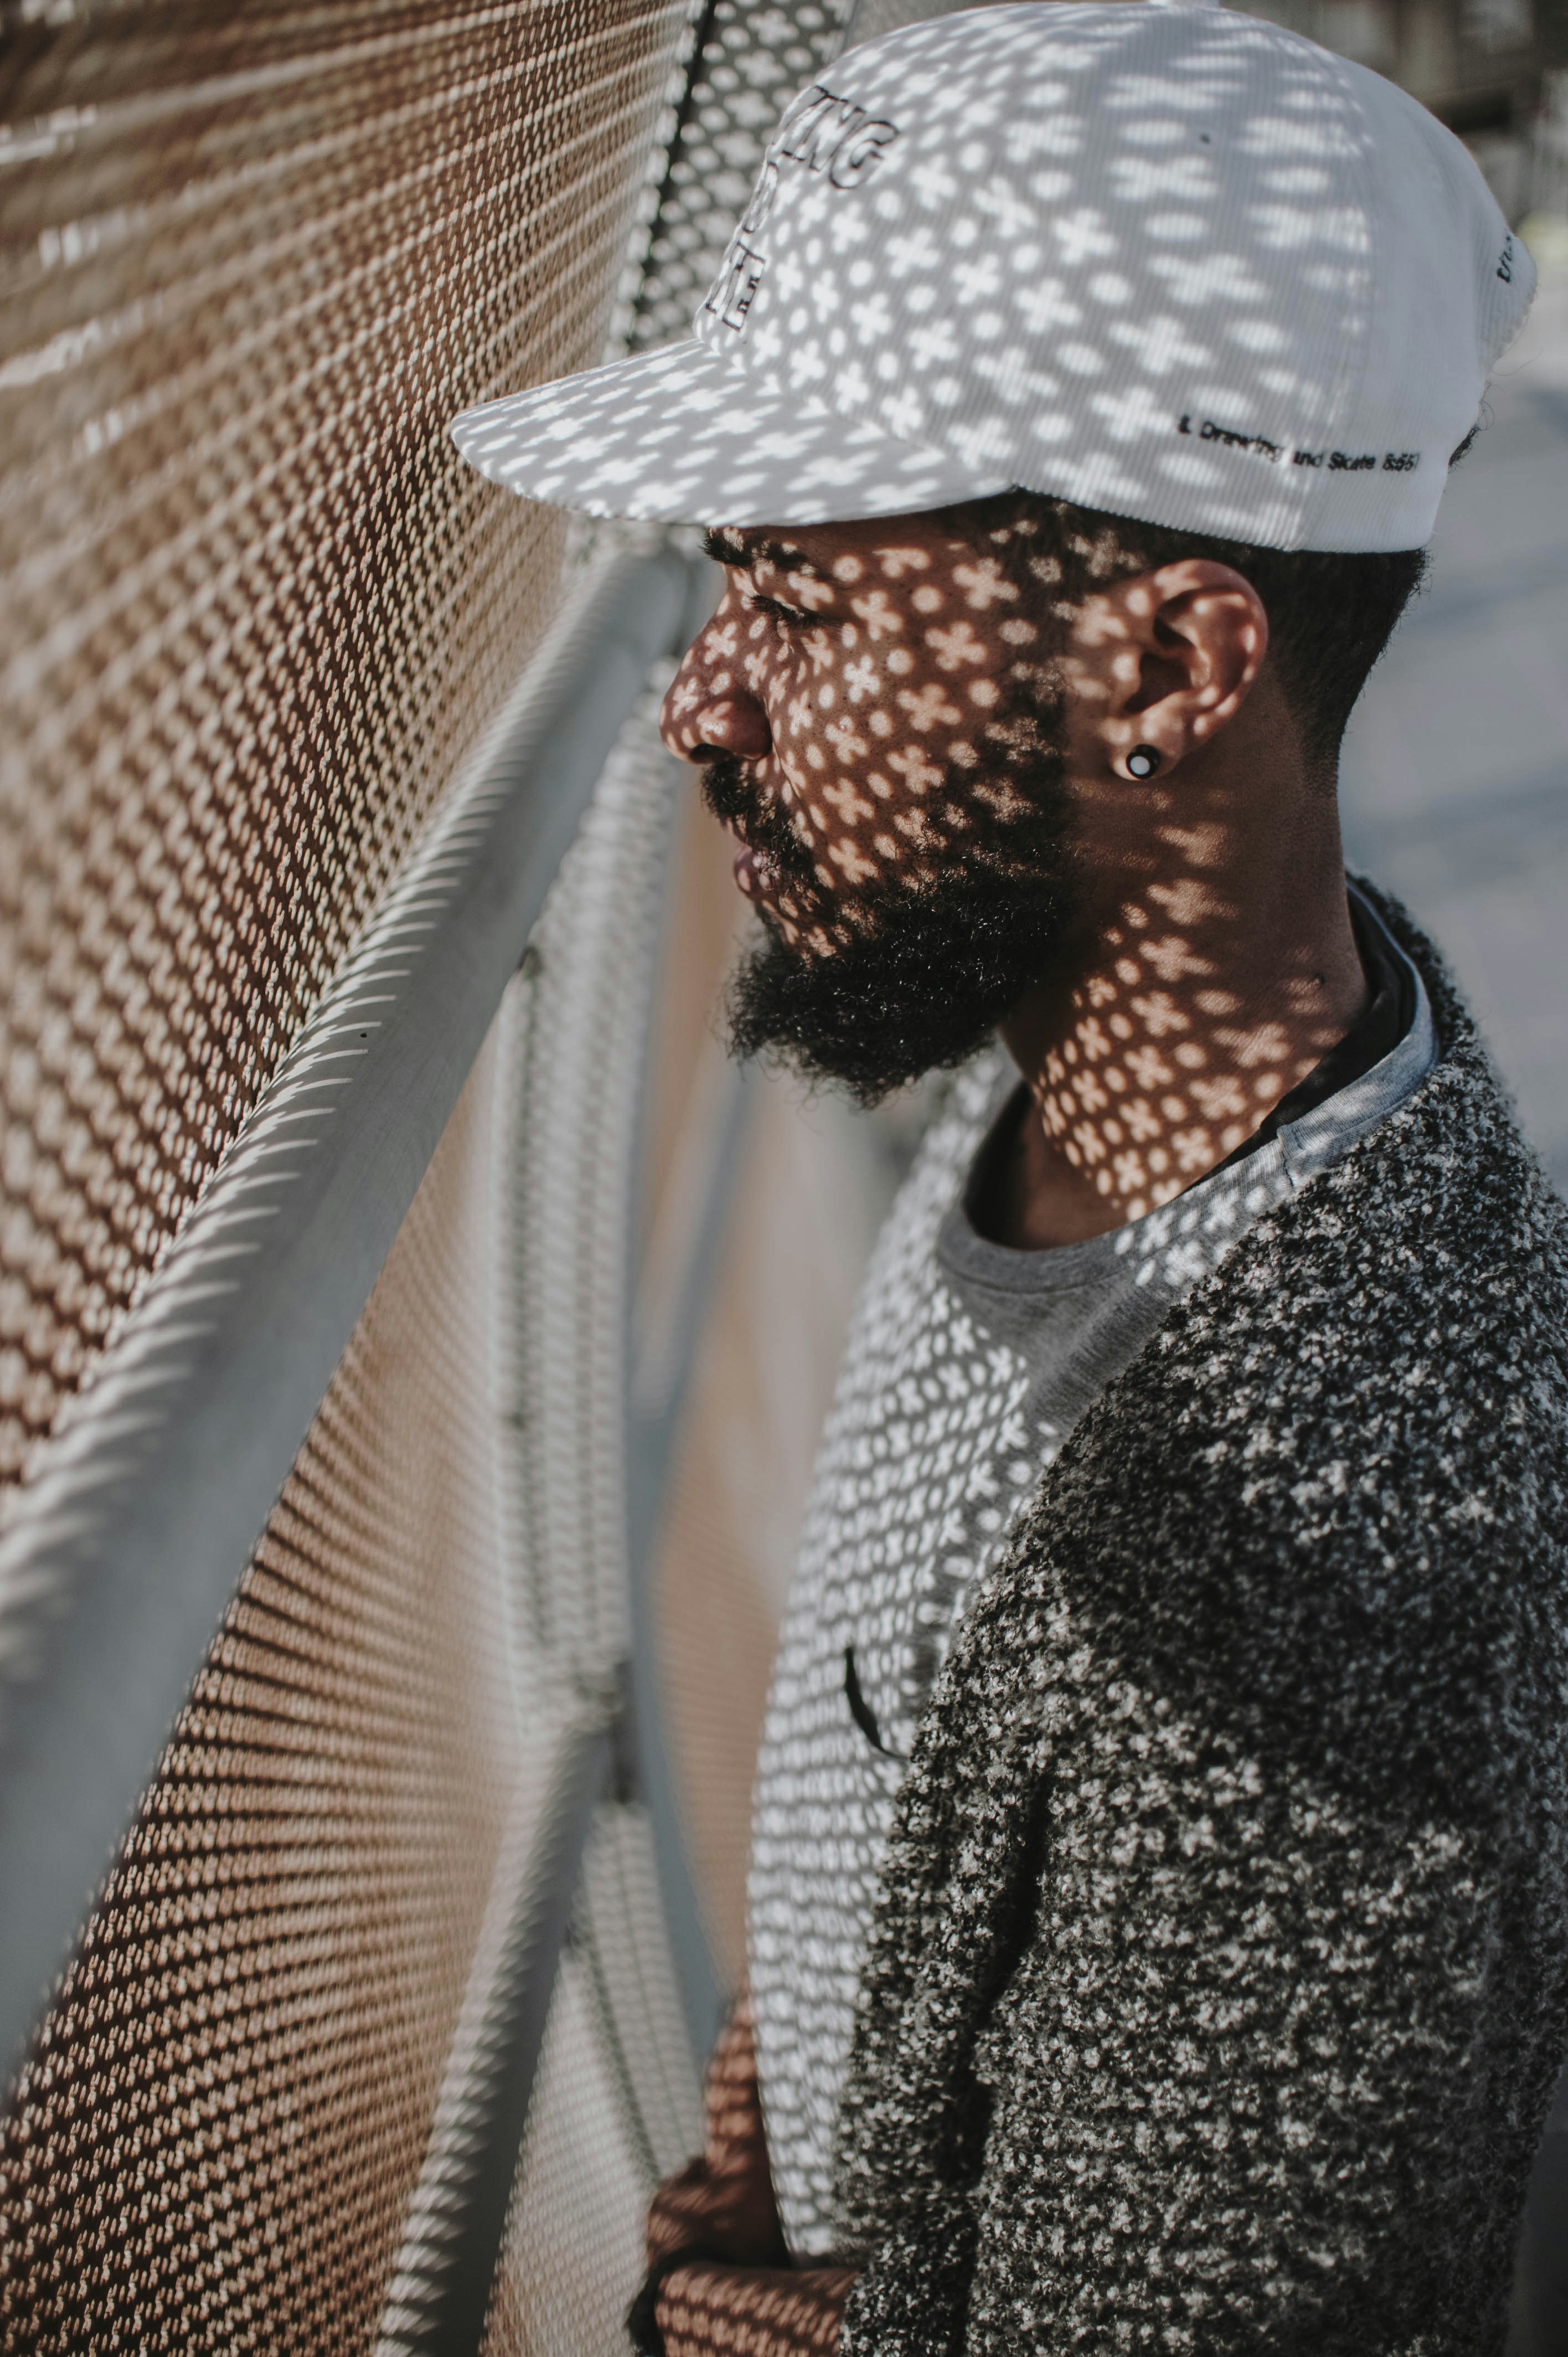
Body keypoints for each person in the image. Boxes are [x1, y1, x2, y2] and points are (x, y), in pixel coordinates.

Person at [452, 4, 1568, 2350]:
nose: (702, 694)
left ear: (1171, 657)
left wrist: (690, 2312)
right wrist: (758, 2124)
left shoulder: (1310, 1580)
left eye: (817, 605)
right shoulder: (1116, 1062)